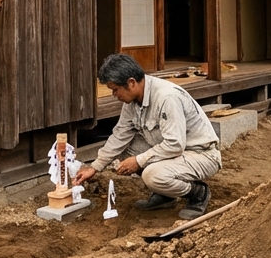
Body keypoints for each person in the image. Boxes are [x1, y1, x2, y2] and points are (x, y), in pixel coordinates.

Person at [73, 53, 221, 219]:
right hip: (175, 153)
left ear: (131, 82)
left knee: (152, 175)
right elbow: (120, 135)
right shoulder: (132, 100)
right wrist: (94, 167)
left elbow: (175, 144)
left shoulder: (167, 97)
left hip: (200, 154)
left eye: (115, 90)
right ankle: (165, 194)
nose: (114, 95)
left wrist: (138, 161)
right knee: (122, 150)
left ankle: (198, 193)